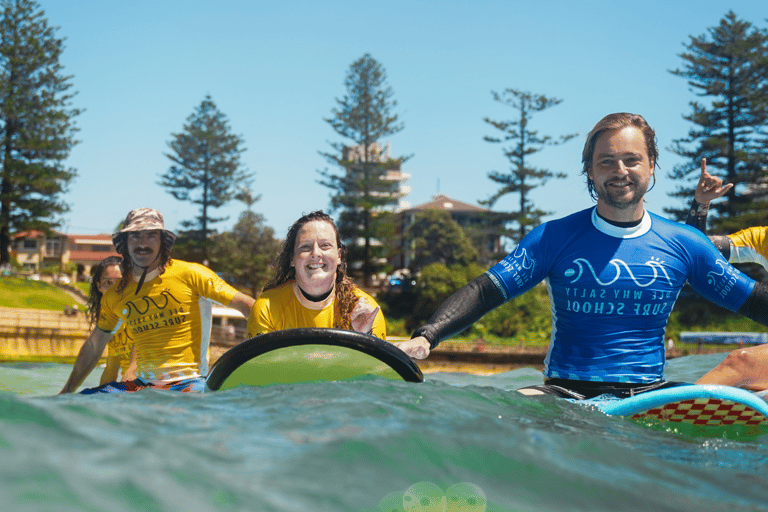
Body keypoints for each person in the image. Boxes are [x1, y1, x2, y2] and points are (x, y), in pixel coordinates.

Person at [396, 112, 768, 399]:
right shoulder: (554, 237)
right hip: (562, 393)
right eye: (606, 161)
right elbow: (487, 290)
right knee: (498, 420)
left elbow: (751, 300)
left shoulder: (684, 243)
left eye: (631, 160)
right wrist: (427, 336)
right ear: (589, 170)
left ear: (651, 165)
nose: (619, 171)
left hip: (647, 395)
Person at [60, 208, 255, 394]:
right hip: (141, 386)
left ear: (162, 242)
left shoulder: (192, 274)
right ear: (125, 243)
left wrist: (269, 351)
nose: (142, 243)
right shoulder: (116, 295)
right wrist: (66, 392)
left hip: (190, 383)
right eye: (135, 236)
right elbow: (94, 346)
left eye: (151, 235)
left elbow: (247, 305)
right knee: (76, 407)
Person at [683, 161, 768, 390]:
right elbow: (696, 254)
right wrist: (701, 203)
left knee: (741, 362)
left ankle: (662, 416)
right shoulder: (761, 239)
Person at [246, 210, 385, 339]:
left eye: (325, 245)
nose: (316, 253)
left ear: (339, 256)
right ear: (292, 259)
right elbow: (260, 365)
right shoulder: (268, 308)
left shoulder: (366, 313)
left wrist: (366, 335)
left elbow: (377, 365)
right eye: (305, 247)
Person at [87, 256, 137, 385]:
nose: (115, 290)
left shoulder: (142, 313)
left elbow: (134, 371)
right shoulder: (111, 323)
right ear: (99, 287)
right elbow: (111, 370)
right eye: (108, 283)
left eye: (120, 282)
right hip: (131, 390)